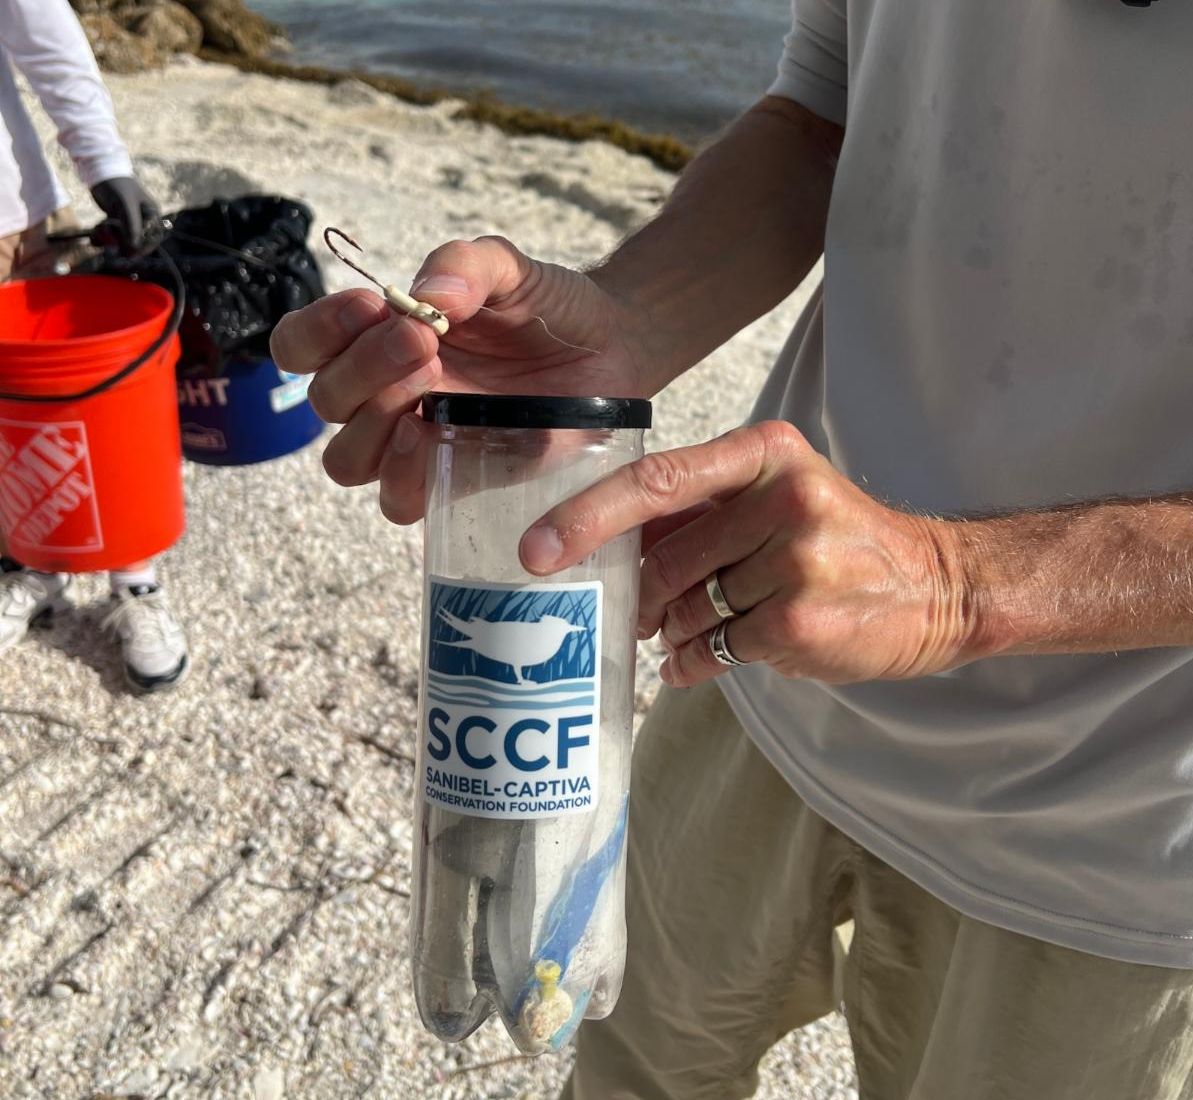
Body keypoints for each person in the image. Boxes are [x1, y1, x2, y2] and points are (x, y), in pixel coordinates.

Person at [273, 1, 1193, 1095]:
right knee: (621, 1059)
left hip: (1120, 841)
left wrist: (955, 586)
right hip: (761, 646)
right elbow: (825, 107)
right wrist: (625, 326)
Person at [1, 0, 188, 693]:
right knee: (9, 431)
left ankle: (134, 579)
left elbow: (43, 33)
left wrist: (104, 162)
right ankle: (33, 565)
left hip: (11, 218)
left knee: (85, 414)